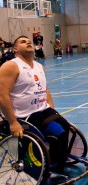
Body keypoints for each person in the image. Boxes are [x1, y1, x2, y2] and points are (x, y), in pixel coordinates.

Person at [0, 36, 70, 174]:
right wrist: (13, 122)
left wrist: (51, 108)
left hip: (43, 110)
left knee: (65, 126)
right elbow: (2, 95)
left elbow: (45, 90)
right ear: (15, 49)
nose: (28, 42)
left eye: (28, 41)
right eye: (22, 41)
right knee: (59, 133)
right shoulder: (11, 66)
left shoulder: (39, 66)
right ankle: (54, 168)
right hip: (24, 115)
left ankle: (58, 160)